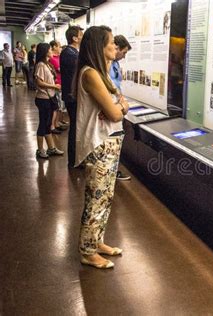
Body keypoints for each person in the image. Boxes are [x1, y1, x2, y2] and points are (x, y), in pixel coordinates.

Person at [75, 26, 129, 269]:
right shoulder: (91, 74)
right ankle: (87, 250)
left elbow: (117, 101)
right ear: (100, 46)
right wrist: (121, 108)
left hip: (110, 140)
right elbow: (116, 112)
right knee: (96, 198)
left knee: (105, 197)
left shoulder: (101, 73)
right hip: (99, 143)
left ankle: (97, 241)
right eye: (111, 43)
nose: (115, 47)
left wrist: (119, 106)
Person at [34, 43, 64, 159]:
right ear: (45, 51)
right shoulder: (41, 65)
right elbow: (39, 82)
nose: (52, 51)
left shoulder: (47, 64)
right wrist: (53, 87)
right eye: (50, 49)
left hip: (49, 98)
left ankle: (51, 148)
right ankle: (40, 149)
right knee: (43, 124)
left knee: (47, 124)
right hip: (43, 99)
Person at [109, 34, 132, 181]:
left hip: (116, 103)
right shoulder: (105, 65)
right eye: (123, 52)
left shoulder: (115, 64)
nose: (123, 56)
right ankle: (111, 170)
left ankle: (113, 169)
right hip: (112, 106)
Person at [60, 25, 83, 169]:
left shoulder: (70, 52)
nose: (82, 37)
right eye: (81, 35)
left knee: (75, 127)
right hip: (72, 97)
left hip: (71, 95)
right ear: (74, 38)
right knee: (75, 127)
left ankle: (75, 159)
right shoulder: (71, 54)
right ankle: (74, 161)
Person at [49, 40, 68, 134]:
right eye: (59, 46)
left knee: (60, 106)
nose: (60, 48)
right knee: (57, 106)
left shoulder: (59, 57)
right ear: (54, 47)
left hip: (62, 83)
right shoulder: (52, 58)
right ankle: (53, 125)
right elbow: (60, 69)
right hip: (57, 83)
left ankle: (57, 123)